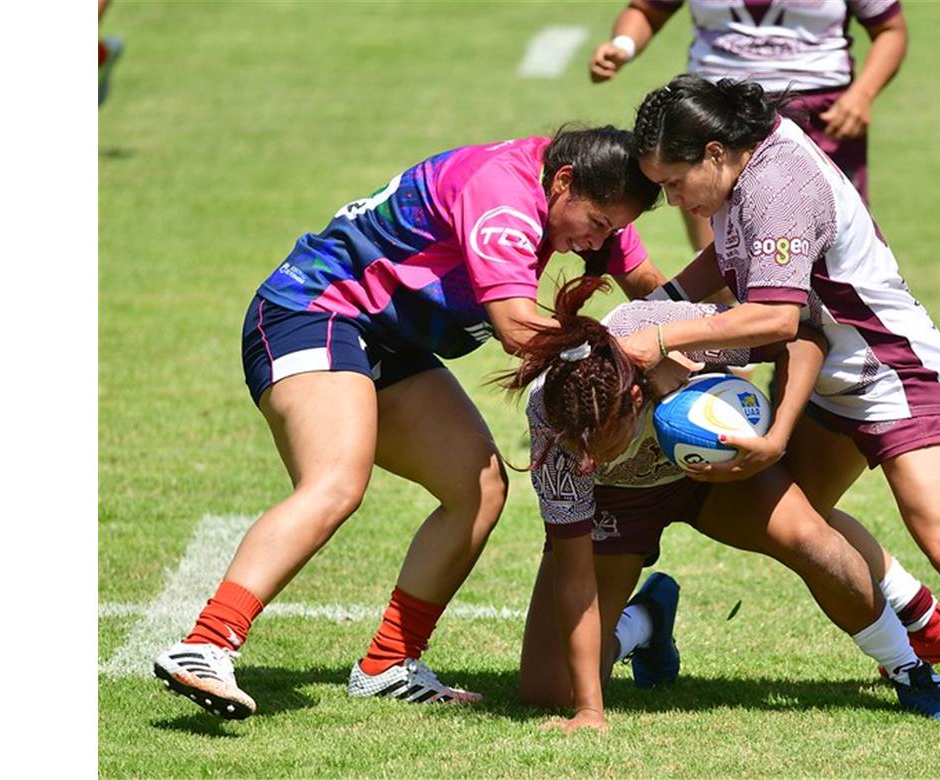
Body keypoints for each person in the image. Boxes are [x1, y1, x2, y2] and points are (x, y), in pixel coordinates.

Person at [623, 75, 940, 740]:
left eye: (672, 182)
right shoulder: (744, 167)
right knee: (797, 517)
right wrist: (661, 304)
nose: (670, 198)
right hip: (828, 374)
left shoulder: (778, 184)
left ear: (715, 153)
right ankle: (920, 617)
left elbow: (774, 318)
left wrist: (658, 333)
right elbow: (732, 253)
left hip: (892, 374)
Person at [151, 127, 669, 721]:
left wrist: (713, 339)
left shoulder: (589, 194)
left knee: (476, 488)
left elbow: (654, 290)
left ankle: (388, 664)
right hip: (313, 310)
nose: (595, 241)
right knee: (335, 483)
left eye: (609, 230)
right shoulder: (501, 194)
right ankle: (207, 644)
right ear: (563, 182)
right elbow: (518, 329)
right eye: (597, 223)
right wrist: (616, 365)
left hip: (385, 339)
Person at [501, 275, 940, 733]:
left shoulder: (665, 330)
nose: (582, 461)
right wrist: (588, 711)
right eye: (574, 447)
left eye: (597, 444)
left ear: (635, 395)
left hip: (719, 476)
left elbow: (801, 341)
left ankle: (908, 670)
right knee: (551, 688)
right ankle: (645, 620)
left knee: (812, 540)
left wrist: (775, 439)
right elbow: (576, 580)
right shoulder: (553, 422)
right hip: (618, 502)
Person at [588, 0, 908, 251]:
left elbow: (890, 29)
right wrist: (623, 45)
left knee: (832, 255)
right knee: (723, 264)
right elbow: (646, 10)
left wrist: (862, 95)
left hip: (822, 115)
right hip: (713, 117)